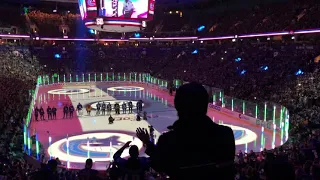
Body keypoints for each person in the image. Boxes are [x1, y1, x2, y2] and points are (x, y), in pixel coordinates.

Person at [136, 82, 236, 180]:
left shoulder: (169, 140)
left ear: (177, 105)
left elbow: (159, 164)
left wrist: (148, 143)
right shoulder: (225, 134)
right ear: (205, 104)